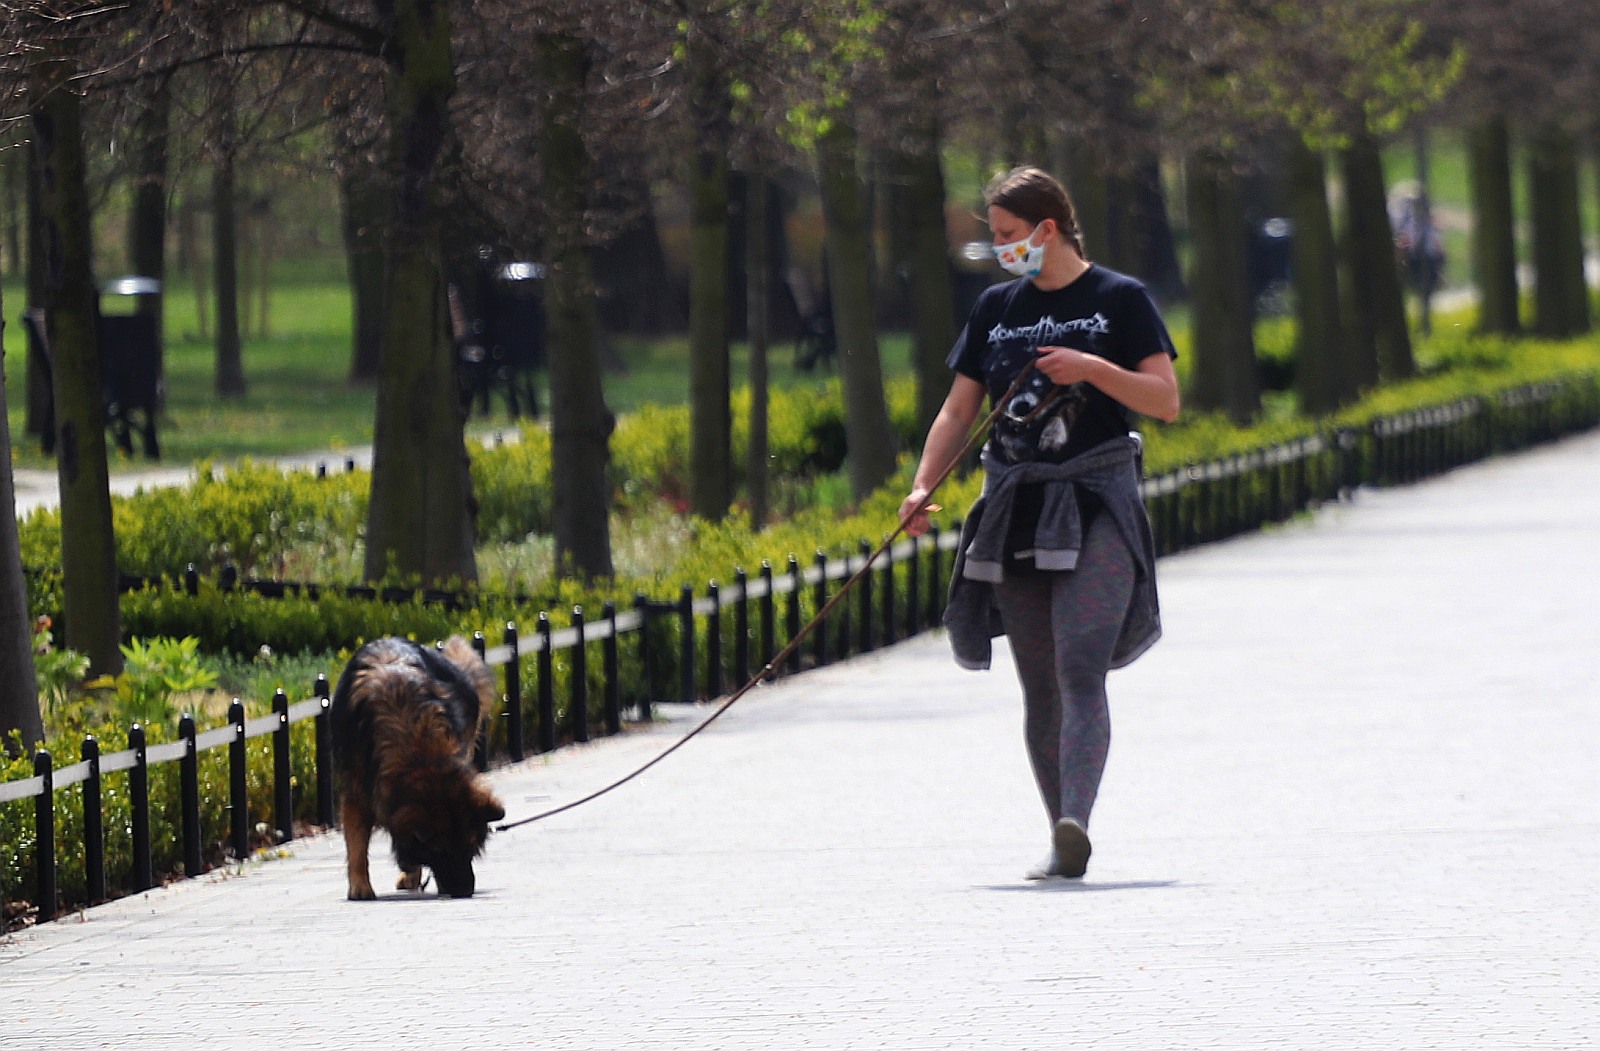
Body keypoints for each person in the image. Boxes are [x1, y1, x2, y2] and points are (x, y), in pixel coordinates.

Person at [898, 166, 1180, 880]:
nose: (999, 249)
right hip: (1016, 504)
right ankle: (1061, 836)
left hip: (1096, 499)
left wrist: (1090, 366)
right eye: (994, 238)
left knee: (1082, 664)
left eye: (1007, 235)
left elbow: (1164, 399)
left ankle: (1075, 817)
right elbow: (958, 409)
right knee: (1040, 682)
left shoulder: (1121, 299)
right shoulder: (996, 308)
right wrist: (923, 483)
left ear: (1046, 229)